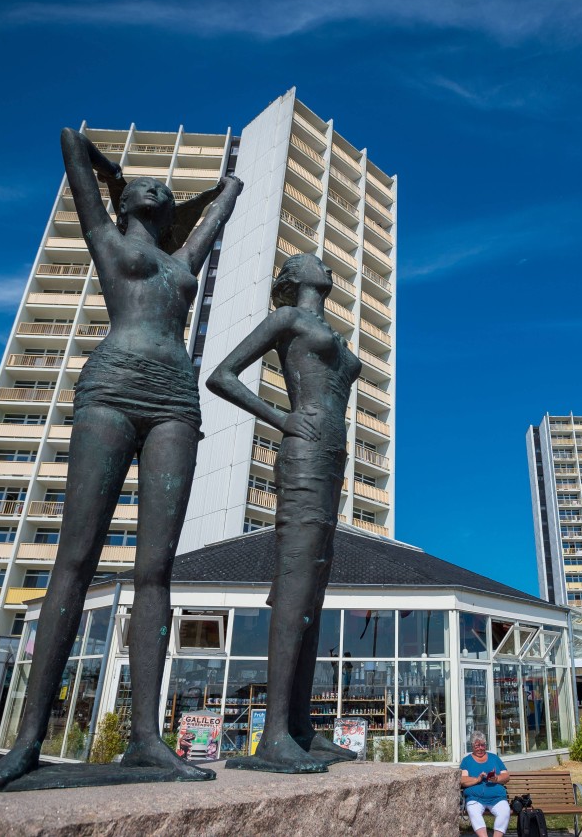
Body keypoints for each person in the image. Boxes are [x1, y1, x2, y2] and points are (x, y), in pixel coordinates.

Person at [0, 129, 242, 793]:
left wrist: (213, 192)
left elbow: (228, 199)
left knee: (156, 569)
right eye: (147, 185)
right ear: (123, 201)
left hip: (174, 397)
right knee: (75, 555)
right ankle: (29, 739)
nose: (159, 189)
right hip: (112, 387)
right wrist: (114, 171)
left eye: (166, 188)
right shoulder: (108, 237)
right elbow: (69, 144)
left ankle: (147, 737)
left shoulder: (183, 261)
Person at [207, 253, 361, 773]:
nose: (322, 263)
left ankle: (299, 728)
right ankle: (273, 734)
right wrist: (284, 419)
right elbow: (222, 375)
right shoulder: (287, 319)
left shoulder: (333, 334)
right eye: (306, 260)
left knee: (313, 589)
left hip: (333, 458)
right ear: (292, 280)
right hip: (305, 452)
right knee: (296, 583)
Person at [459, 731, 511, 837]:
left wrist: (496, 779)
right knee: (474, 812)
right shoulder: (467, 760)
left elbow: (506, 776)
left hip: (497, 797)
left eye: (482, 745)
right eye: (477, 745)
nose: (480, 748)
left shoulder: (494, 758)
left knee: (505, 811)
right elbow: (462, 780)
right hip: (475, 798)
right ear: (472, 746)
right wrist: (477, 779)